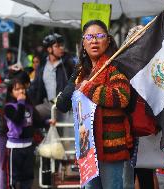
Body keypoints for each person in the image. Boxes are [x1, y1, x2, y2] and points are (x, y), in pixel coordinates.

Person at [56, 20, 133, 189]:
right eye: (89, 37)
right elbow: (65, 104)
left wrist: (90, 88)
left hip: (110, 149)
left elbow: (122, 97)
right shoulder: (80, 72)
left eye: (100, 36)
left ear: (108, 40)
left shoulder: (115, 67)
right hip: (87, 150)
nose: (94, 41)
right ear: (83, 43)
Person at [4, 74, 51, 189]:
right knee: (12, 178)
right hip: (14, 148)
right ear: (11, 92)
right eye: (17, 89)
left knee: (28, 176)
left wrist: (47, 122)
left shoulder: (29, 106)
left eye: (22, 88)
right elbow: (18, 119)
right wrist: (20, 102)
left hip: (29, 146)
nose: (21, 91)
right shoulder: (9, 107)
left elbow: (35, 122)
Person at [0, 70, 30, 189]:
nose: (24, 89)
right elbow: (16, 117)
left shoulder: (2, 87)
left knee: (4, 165)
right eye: (26, 84)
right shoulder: (9, 93)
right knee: (4, 167)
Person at [28, 33, 74, 121]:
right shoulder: (42, 66)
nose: (61, 48)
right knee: (30, 114)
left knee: (63, 132)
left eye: (62, 45)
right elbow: (35, 87)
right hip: (49, 105)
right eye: (57, 46)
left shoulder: (68, 63)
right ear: (49, 49)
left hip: (65, 106)